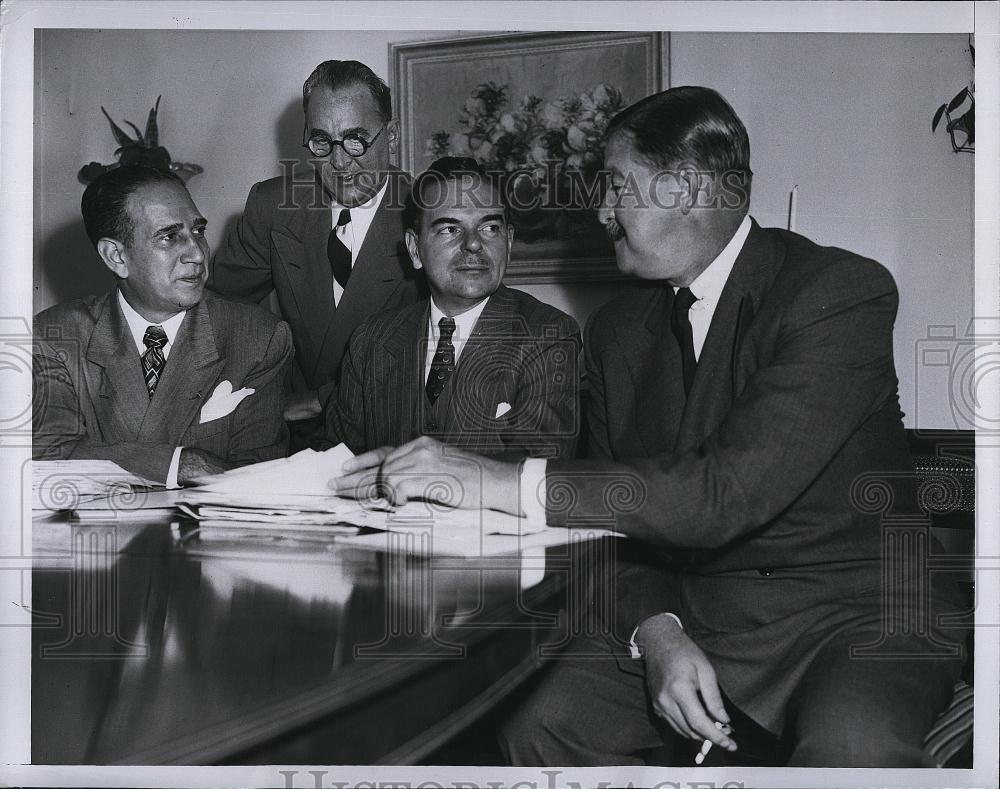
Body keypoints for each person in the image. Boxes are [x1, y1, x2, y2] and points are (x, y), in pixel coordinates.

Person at [335, 87, 967, 766]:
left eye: (614, 187)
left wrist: (491, 478)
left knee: (851, 750)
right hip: (697, 614)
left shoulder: (837, 294)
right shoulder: (617, 331)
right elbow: (617, 538)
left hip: (855, 619)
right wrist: (658, 631)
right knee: (540, 722)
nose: (600, 211)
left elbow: (723, 493)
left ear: (684, 190)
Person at [33, 165, 292, 485]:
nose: (197, 254)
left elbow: (259, 480)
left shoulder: (258, 337)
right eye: (169, 236)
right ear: (116, 256)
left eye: (198, 230)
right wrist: (182, 464)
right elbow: (47, 456)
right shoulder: (54, 338)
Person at [207, 60, 423, 445]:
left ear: (391, 137)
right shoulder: (272, 205)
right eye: (322, 141)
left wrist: (318, 401)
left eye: (356, 139)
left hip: (393, 435)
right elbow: (216, 314)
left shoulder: (428, 214)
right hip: (289, 440)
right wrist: (262, 393)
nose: (339, 163)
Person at [323, 156, 579, 460]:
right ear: (415, 249)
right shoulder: (371, 341)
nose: (473, 244)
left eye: (490, 228)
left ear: (509, 243)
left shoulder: (548, 335)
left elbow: (538, 477)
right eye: (449, 229)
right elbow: (336, 467)